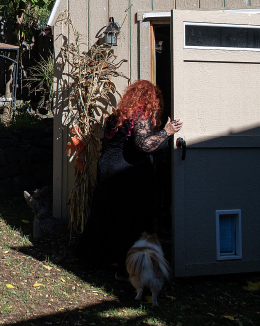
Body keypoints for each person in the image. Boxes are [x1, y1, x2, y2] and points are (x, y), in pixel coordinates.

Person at [75, 80, 183, 278]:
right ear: (150, 100)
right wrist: (167, 132)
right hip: (125, 175)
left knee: (108, 216)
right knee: (129, 220)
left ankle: (103, 261)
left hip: (107, 169)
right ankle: (125, 270)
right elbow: (144, 145)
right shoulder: (140, 116)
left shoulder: (117, 116)